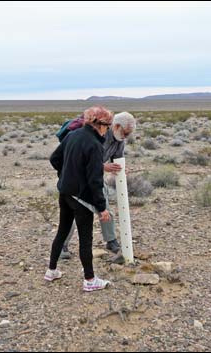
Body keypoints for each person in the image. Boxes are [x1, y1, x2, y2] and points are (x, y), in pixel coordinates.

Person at [45, 106, 113, 292]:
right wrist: (102, 208)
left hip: (65, 192)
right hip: (81, 198)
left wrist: (66, 176)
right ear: (99, 124)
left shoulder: (72, 135)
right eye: (107, 125)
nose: (108, 129)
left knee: (62, 231)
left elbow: (54, 159)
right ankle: (90, 280)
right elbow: (95, 180)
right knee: (85, 239)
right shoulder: (94, 145)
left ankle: (51, 271)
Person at [60, 111, 137, 259]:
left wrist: (120, 168)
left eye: (128, 134)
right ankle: (62, 245)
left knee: (105, 209)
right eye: (125, 133)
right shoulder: (97, 135)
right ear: (116, 126)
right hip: (78, 180)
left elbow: (117, 158)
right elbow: (81, 159)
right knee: (75, 213)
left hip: (95, 179)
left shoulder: (119, 140)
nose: (126, 137)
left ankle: (111, 240)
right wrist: (102, 167)